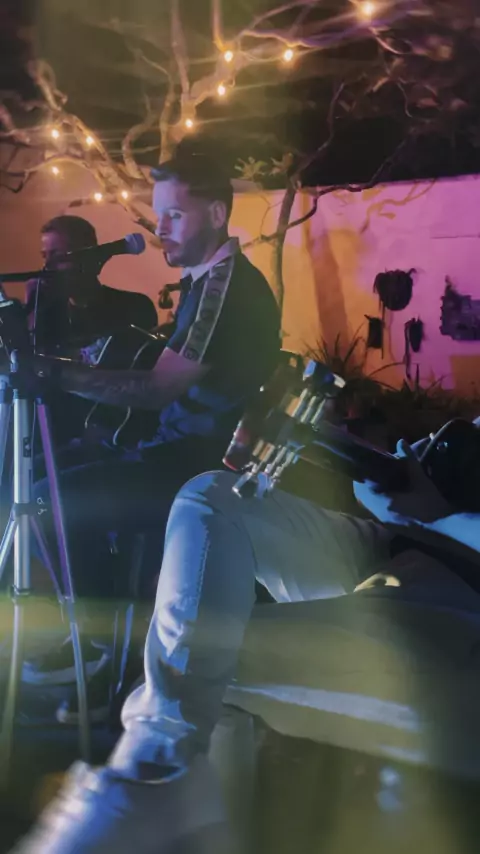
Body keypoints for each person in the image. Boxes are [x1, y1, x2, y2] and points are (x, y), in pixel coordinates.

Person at [10, 426, 480, 854]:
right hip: (404, 549)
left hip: (459, 589)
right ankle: (157, 780)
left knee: (207, 669)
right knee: (211, 497)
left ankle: (153, 775)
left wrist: (434, 517)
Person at [22, 154, 281, 716]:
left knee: (48, 498)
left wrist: (54, 373)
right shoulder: (205, 284)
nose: (159, 227)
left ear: (217, 213)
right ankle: (109, 638)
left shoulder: (222, 288)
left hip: (194, 470)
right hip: (173, 453)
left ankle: (100, 649)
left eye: (174, 215)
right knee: (46, 478)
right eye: (159, 214)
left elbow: (158, 390)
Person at [26, 215, 158, 447]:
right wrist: (33, 307)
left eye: (59, 256)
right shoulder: (45, 313)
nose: (48, 267)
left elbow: (140, 381)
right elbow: (32, 371)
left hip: (110, 436)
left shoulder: (134, 306)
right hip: (54, 435)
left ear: (89, 257)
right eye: (45, 256)